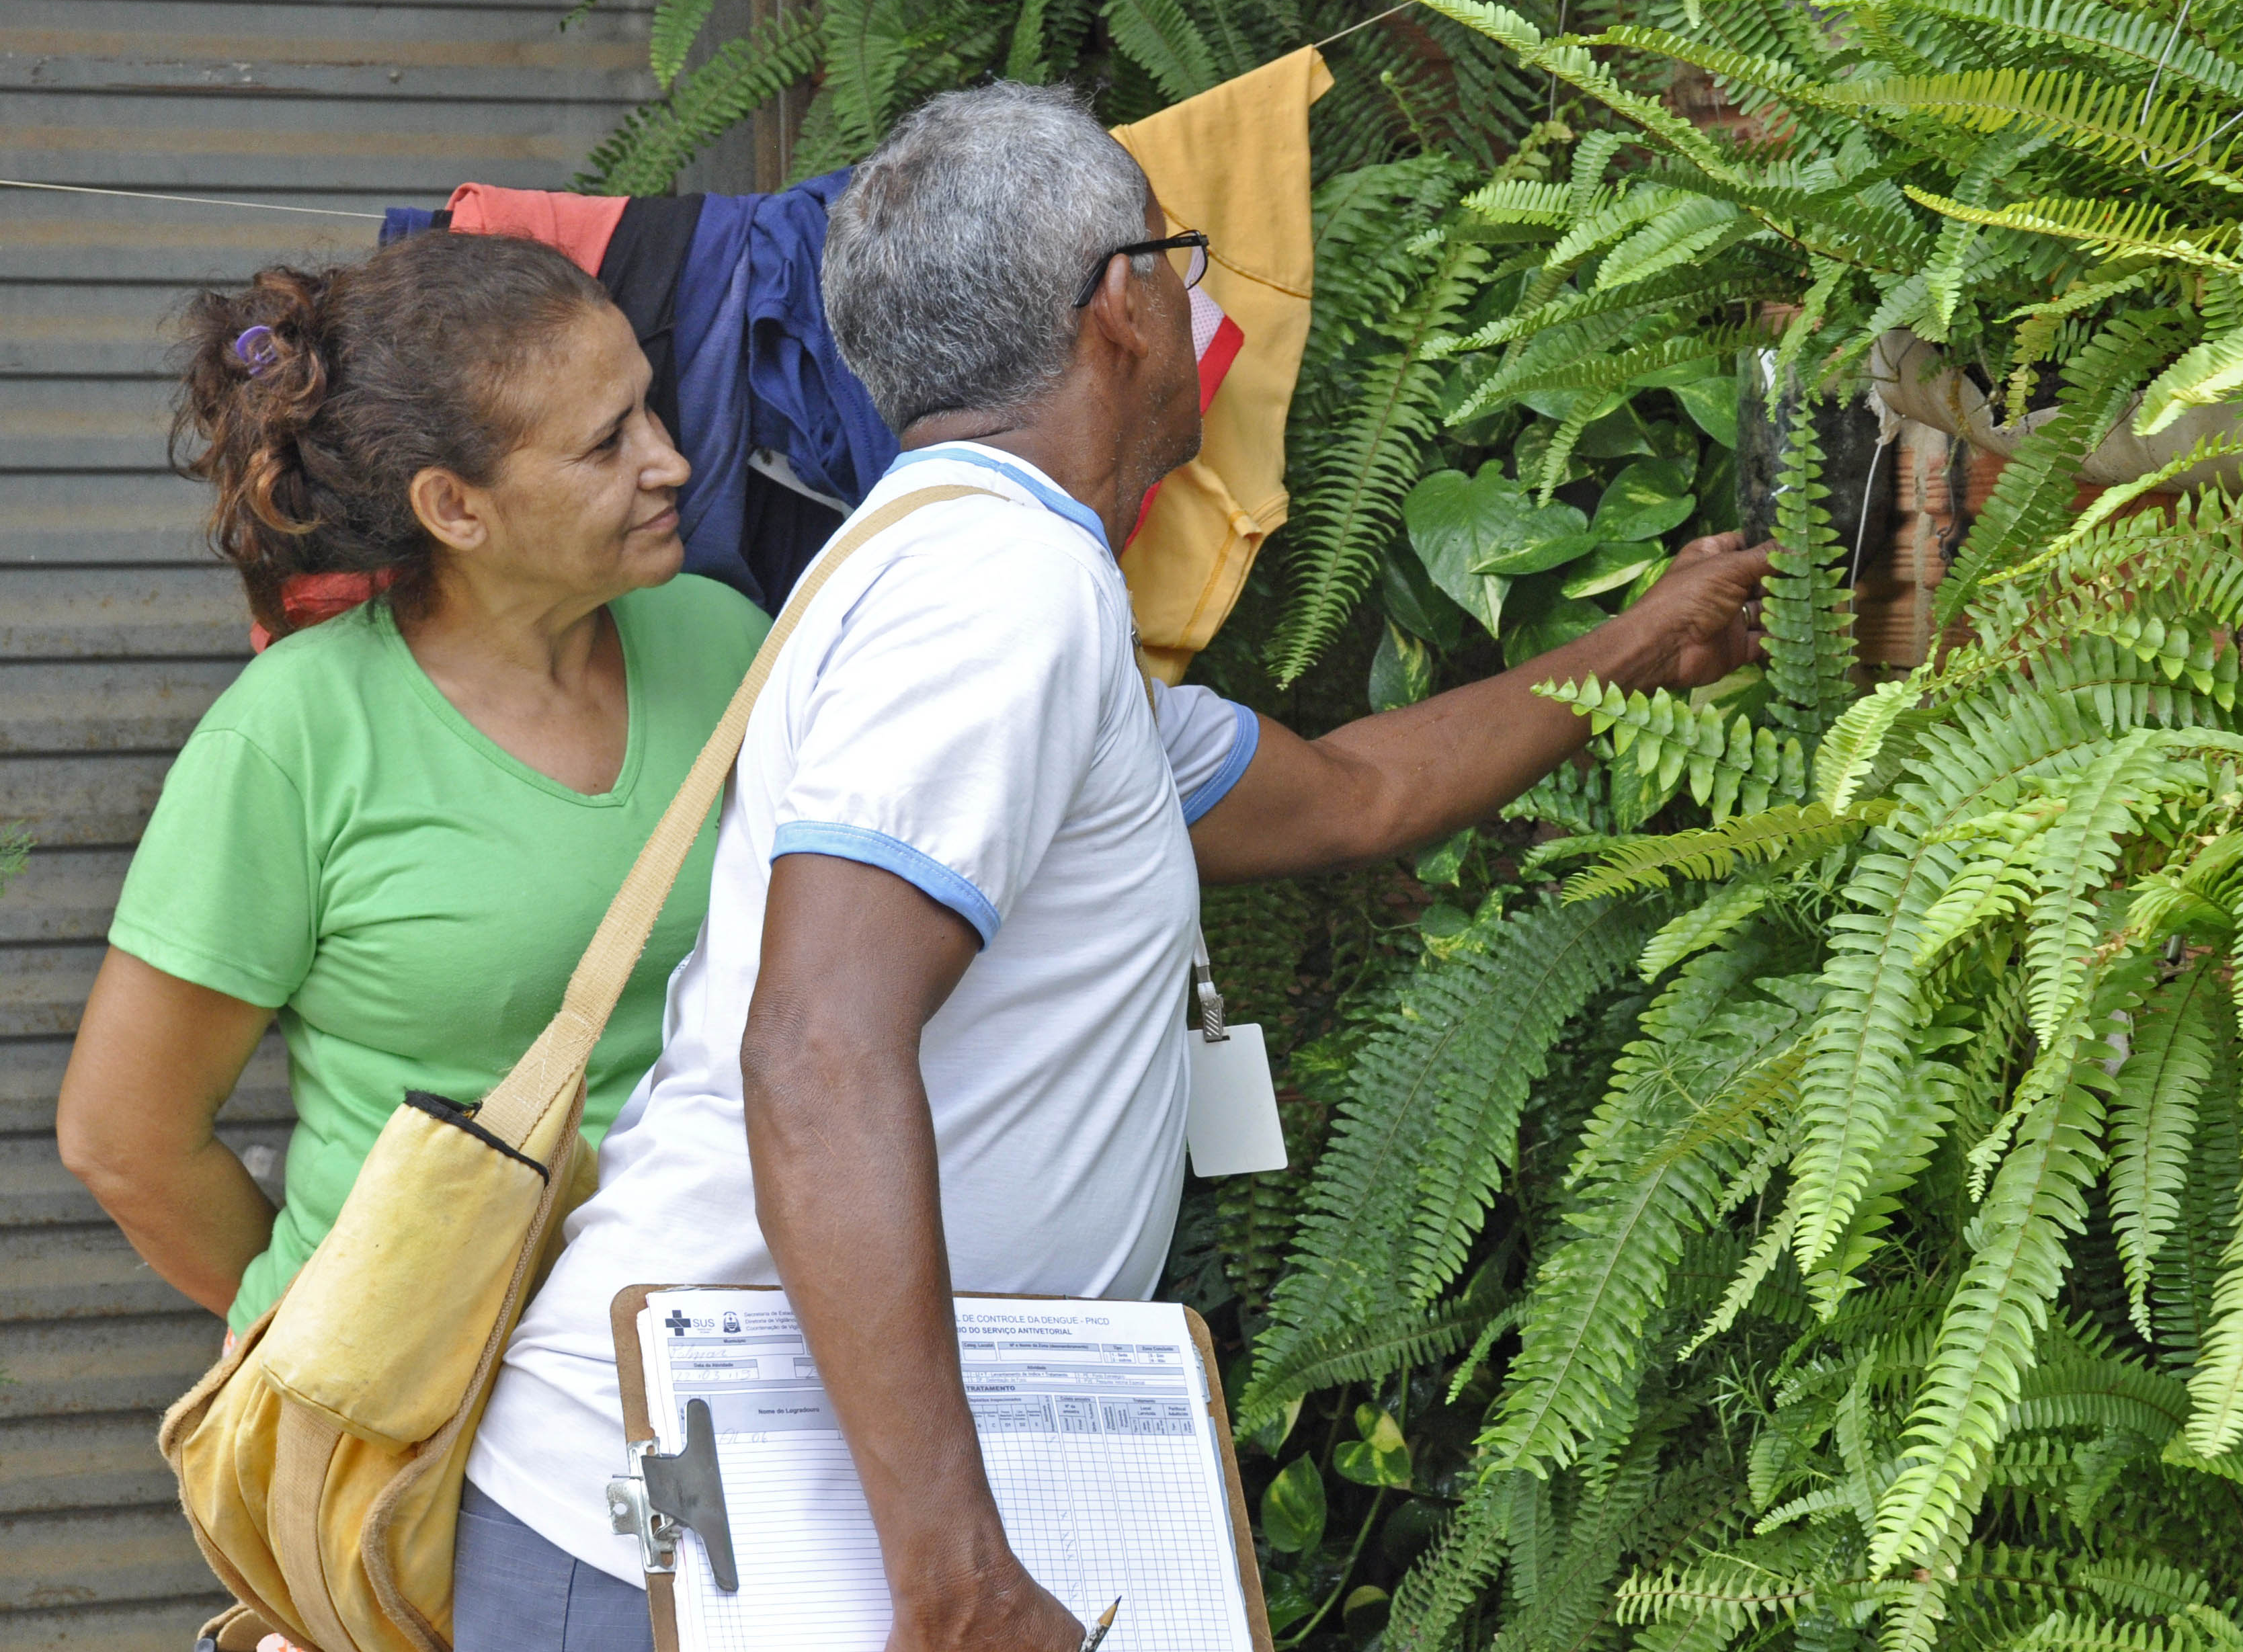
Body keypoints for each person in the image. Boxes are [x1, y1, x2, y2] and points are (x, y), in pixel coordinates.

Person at [458, 82, 1772, 1652]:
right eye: (1177, 258)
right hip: (689, 1549)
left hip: (768, 1522)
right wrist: (952, 1570)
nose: (1193, 291)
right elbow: (815, 1048)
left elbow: (1351, 796)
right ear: (1120, 309)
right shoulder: (991, 593)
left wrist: (1644, 643)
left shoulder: (985, 584)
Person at [55, 232, 771, 1342]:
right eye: (604, 445)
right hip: (428, 1401)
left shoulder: (726, 644)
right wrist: (320, 1325)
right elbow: (124, 1136)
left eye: (650, 407)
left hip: (704, 1351)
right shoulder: (294, 738)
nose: (668, 461)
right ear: (455, 508)